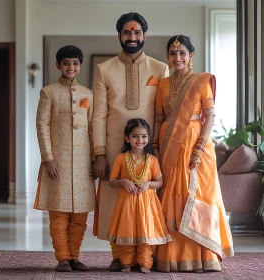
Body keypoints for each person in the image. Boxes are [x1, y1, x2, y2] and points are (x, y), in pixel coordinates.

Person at [92, 12, 169, 271]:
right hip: (115, 146)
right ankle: (119, 255)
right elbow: (98, 115)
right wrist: (100, 153)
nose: (132, 37)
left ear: (144, 35)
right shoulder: (104, 69)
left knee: (145, 201)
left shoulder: (160, 69)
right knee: (115, 201)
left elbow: (164, 113)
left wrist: (158, 148)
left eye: (137, 33)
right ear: (119, 36)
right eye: (127, 33)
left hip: (149, 149)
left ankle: (144, 256)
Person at [153, 35, 234, 272]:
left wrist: (199, 147)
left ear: (191, 56)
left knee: (199, 193)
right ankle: (173, 256)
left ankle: (203, 256)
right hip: (169, 143)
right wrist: (156, 149)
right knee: (171, 194)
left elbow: (209, 117)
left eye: (182, 53)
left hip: (197, 142)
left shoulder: (201, 81)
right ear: (167, 56)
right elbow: (159, 119)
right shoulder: (163, 84)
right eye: (172, 53)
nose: (177, 58)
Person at [34, 45, 96, 272]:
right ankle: (62, 257)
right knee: (59, 213)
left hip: (82, 164)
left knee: (80, 214)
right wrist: (47, 158)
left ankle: (74, 257)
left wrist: (94, 158)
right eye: (67, 63)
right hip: (57, 163)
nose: (71, 67)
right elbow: (42, 126)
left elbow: (91, 129)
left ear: (80, 66)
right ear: (58, 65)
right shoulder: (49, 92)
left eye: (76, 63)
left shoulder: (87, 94)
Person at [107, 118, 171, 274]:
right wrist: (123, 182)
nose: (140, 140)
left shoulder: (152, 160)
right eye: (135, 136)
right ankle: (126, 263)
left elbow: (160, 182)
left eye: (144, 136)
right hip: (126, 203)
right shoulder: (121, 158)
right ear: (127, 138)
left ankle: (145, 263)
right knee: (126, 231)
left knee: (146, 232)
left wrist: (148, 184)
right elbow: (111, 181)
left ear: (148, 138)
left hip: (147, 204)